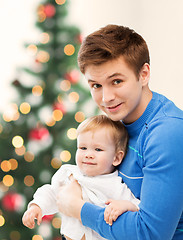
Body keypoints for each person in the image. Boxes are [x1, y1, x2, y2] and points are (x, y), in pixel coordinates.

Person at [56, 24, 183, 240]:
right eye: (96, 85)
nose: (106, 98)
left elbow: (150, 234)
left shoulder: (167, 133)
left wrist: (77, 208)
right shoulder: (114, 123)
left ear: (143, 74)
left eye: (117, 81)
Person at [22, 115, 140, 240]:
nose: (88, 155)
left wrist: (125, 205)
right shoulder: (69, 173)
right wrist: (37, 206)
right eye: (83, 148)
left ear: (116, 158)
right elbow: (52, 193)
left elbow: (138, 208)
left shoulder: (116, 185)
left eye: (98, 149)